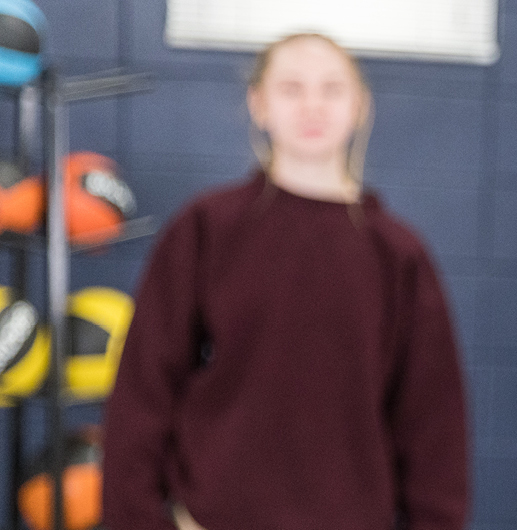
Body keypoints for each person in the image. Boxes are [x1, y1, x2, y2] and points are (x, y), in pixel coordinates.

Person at [101, 34, 469, 530]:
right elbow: (143, 389)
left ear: (359, 106)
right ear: (259, 104)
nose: (312, 106)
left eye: (332, 89)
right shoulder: (207, 228)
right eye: (292, 88)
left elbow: (433, 422)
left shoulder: (399, 254)